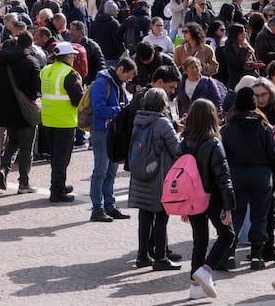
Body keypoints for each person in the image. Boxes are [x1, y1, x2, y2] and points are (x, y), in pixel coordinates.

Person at [221, 87, 275, 271]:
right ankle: (257, 256)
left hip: (236, 174)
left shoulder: (228, 128)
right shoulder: (264, 127)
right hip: (261, 175)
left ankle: (229, 253)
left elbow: (222, 154)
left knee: (235, 213)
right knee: (260, 215)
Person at [183, 99, 236, 300]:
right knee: (227, 235)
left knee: (200, 240)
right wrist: (229, 206)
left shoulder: (184, 141)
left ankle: (195, 286)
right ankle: (205, 270)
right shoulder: (214, 142)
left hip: (193, 198)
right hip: (212, 197)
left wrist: (185, 205)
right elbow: (223, 177)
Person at [128, 88, 182, 271]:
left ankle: (142, 256)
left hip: (141, 176)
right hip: (159, 176)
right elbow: (177, 149)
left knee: (144, 217)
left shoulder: (138, 120)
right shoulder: (162, 123)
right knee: (161, 216)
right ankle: (161, 258)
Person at [0, 31, 41, 193]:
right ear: (30, 45)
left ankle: (3, 169)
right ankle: (24, 183)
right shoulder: (32, 62)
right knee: (26, 147)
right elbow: (37, 88)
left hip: (6, 110)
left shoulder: (2, 62)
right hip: (25, 111)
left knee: (12, 142)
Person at [88, 57, 136, 222]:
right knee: (100, 172)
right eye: (127, 77)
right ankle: (97, 209)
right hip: (102, 132)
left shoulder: (118, 84)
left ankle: (110, 206)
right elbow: (99, 109)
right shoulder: (102, 83)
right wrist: (120, 109)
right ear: (120, 69)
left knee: (111, 173)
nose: (128, 80)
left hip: (113, 133)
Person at [39, 41, 84, 203]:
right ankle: (57, 191)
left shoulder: (45, 70)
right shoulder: (69, 74)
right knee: (62, 159)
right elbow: (78, 99)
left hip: (48, 119)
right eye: (72, 55)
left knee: (56, 157)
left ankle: (59, 185)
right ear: (67, 57)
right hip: (64, 121)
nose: (74, 58)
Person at [222, 23, 259, 90]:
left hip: (251, 78)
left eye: (245, 32)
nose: (244, 34)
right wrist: (244, 50)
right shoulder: (229, 49)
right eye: (242, 32)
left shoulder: (247, 45)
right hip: (237, 81)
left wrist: (254, 65)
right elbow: (237, 64)